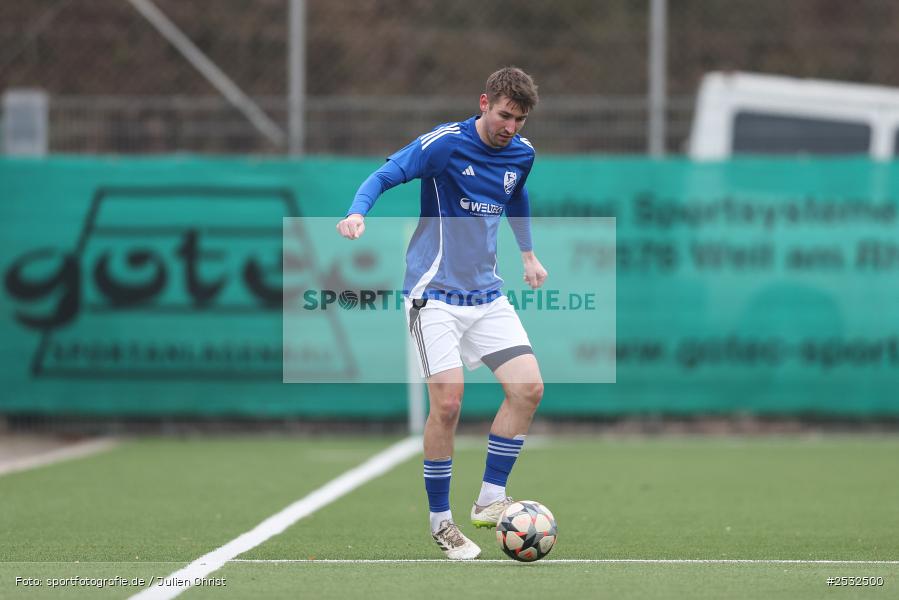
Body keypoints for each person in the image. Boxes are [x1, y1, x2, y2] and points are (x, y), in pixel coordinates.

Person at [336, 67, 547, 560]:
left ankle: (491, 499)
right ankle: (441, 523)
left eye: (518, 118)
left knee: (528, 388)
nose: (509, 126)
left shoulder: (523, 153)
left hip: (487, 296)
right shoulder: (445, 144)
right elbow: (387, 172)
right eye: (503, 114)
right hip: (434, 296)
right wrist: (357, 210)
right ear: (483, 103)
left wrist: (528, 255)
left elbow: (516, 196)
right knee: (448, 404)